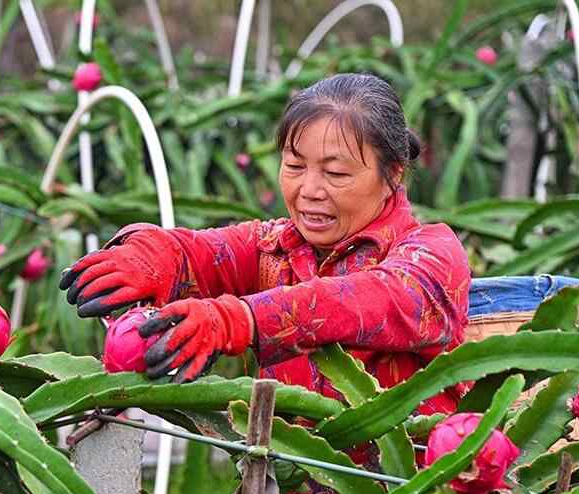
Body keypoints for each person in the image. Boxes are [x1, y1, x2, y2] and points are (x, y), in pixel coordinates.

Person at [59, 73, 471, 416]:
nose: (309, 189)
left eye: (336, 173)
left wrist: (241, 319)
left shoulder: (431, 254)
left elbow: (370, 300)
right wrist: (147, 254)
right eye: (294, 166)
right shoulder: (275, 246)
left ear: (394, 174)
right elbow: (199, 253)